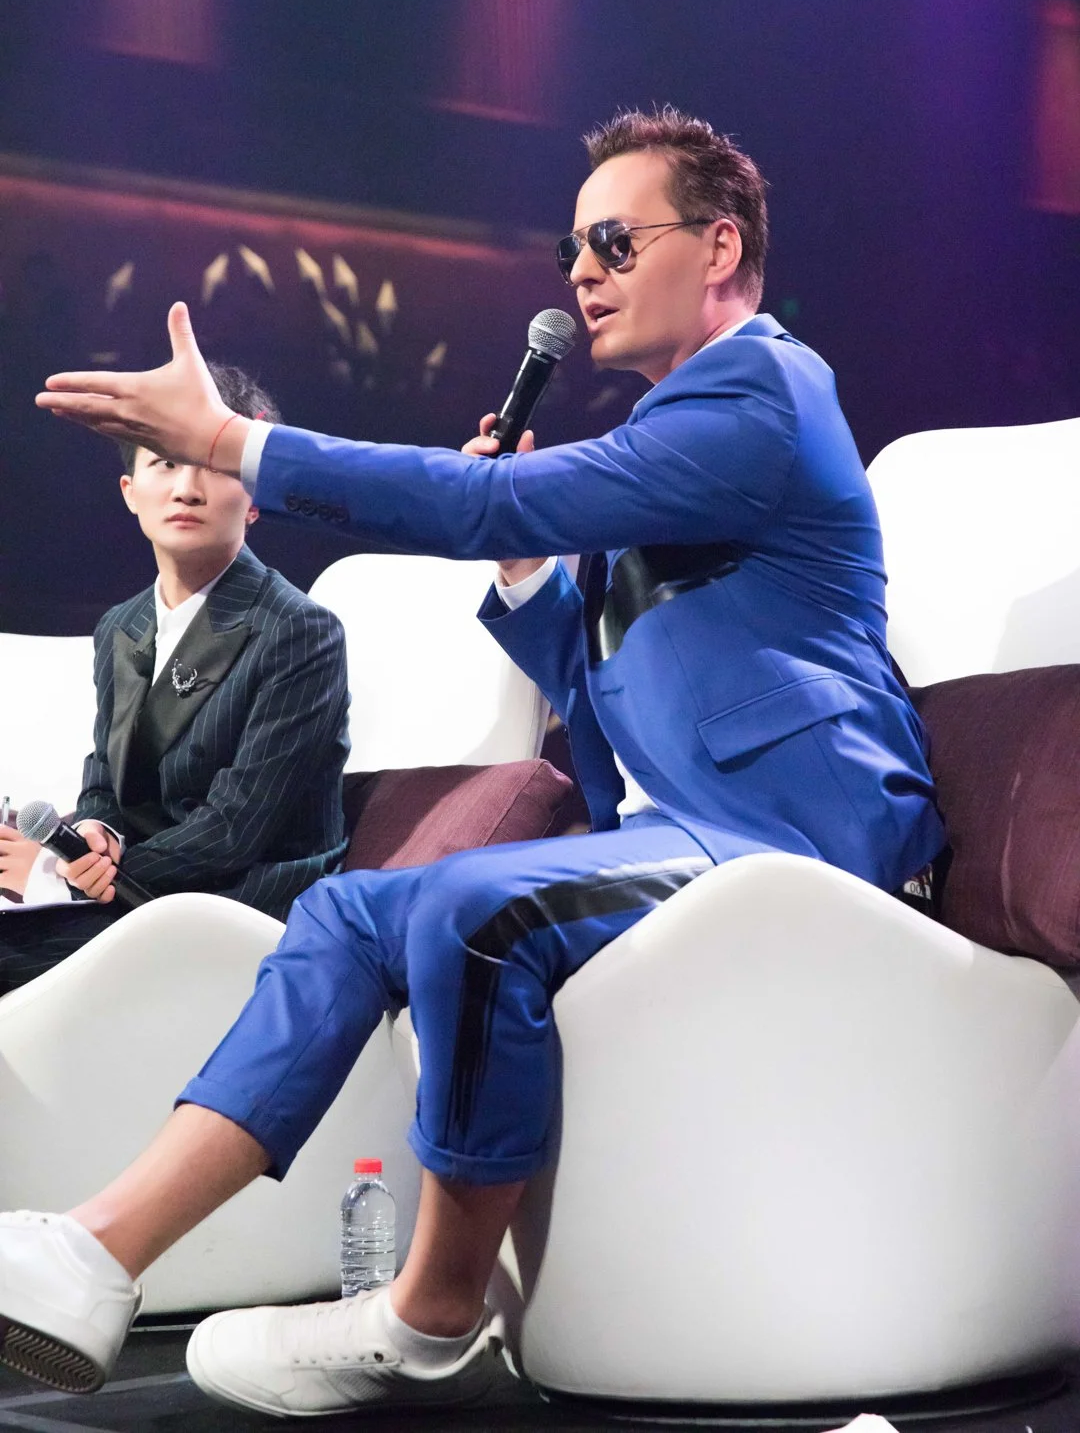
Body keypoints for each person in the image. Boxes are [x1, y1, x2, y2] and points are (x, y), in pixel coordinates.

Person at [0, 107, 943, 1415]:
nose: (582, 273)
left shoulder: (762, 394)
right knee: (345, 914)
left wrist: (233, 442)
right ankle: (93, 1253)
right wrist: (524, 564)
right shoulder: (679, 443)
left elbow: (491, 497)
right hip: (684, 840)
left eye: (615, 240)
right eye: (573, 246)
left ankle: (431, 1306)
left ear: (720, 245)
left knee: (468, 906)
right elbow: (597, 681)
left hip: (801, 836)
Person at [0, 364, 350, 994]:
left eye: (213, 464)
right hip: (132, 898)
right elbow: (106, 780)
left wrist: (65, 873)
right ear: (130, 489)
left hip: (237, 912)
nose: (187, 489)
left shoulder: (299, 630)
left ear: (256, 497)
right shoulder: (121, 624)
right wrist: (94, 833)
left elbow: (234, 828)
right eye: (165, 462)